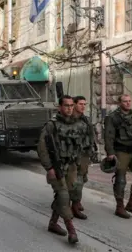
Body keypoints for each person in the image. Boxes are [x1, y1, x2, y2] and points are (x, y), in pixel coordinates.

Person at [37, 95, 84, 244]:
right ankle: (72, 231)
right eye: (66, 106)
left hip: (71, 167)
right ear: (60, 107)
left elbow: (79, 145)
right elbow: (42, 148)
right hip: (56, 167)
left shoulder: (76, 124)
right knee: (63, 197)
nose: (69, 108)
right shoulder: (51, 125)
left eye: (71, 105)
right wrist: (49, 167)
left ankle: (52, 223)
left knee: (67, 195)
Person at [104, 94, 132, 219]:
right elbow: (108, 136)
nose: (128, 103)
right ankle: (119, 207)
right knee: (121, 180)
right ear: (120, 103)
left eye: (129, 101)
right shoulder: (113, 117)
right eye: (125, 101)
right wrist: (110, 153)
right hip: (121, 151)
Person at [69, 96, 99, 219]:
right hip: (72, 155)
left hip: (84, 154)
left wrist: (93, 150)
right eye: (80, 104)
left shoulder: (85, 120)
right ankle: (73, 205)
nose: (83, 106)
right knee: (76, 180)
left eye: (84, 104)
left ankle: (75, 201)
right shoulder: (68, 120)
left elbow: (91, 135)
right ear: (74, 104)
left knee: (83, 178)